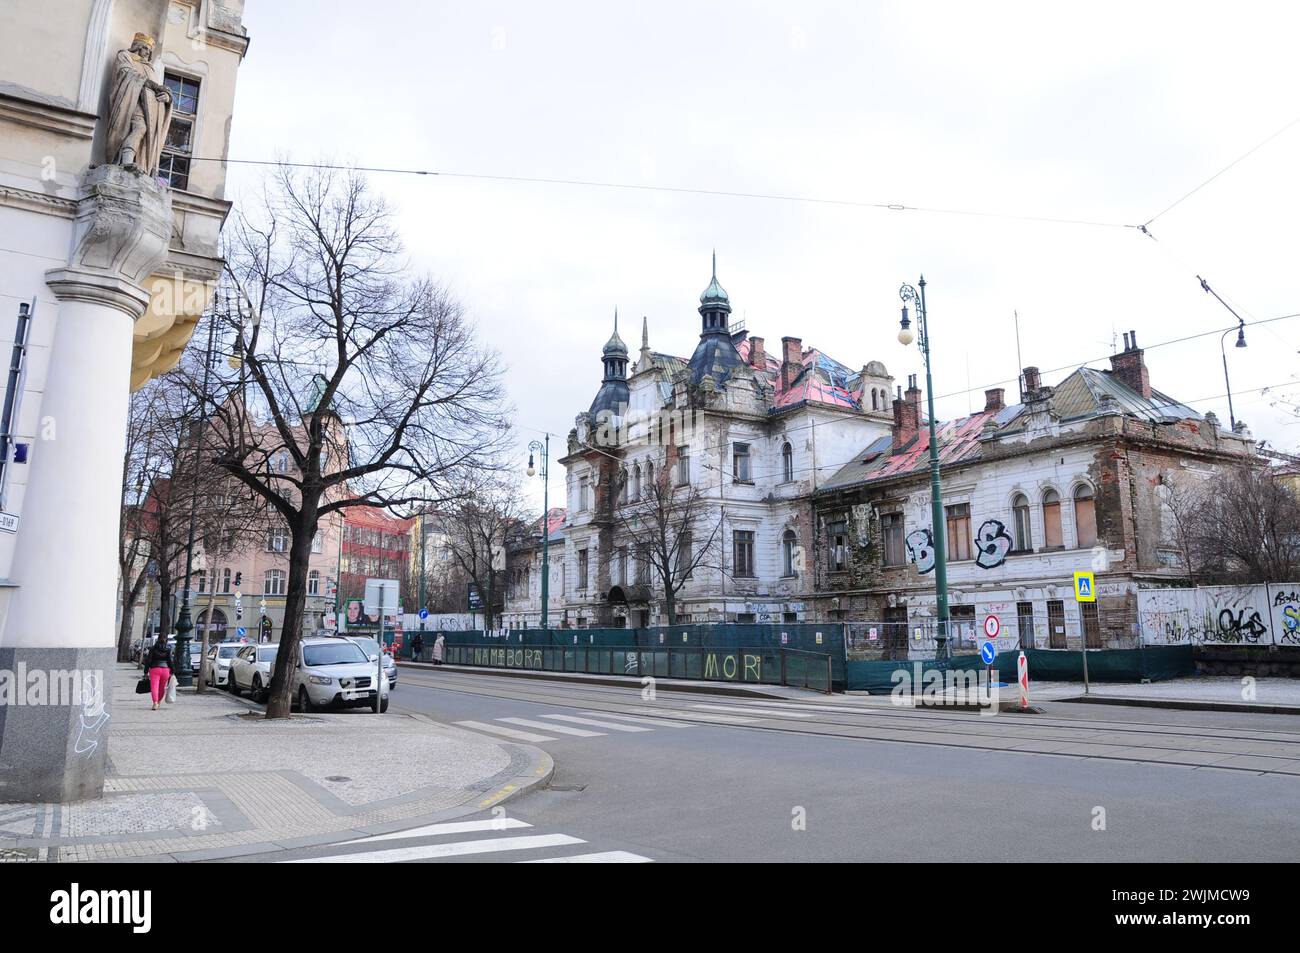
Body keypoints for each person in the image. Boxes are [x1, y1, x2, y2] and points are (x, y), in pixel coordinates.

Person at [144, 636, 173, 711]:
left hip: (155, 669)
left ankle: (155, 703)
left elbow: (149, 660)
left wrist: (146, 671)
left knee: (154, 687)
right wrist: (172, 670)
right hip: (166, 669)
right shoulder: (168, 649)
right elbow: (170, 661)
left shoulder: (153, 649)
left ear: (157, 640)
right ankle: (159, 702)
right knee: (162, 688)